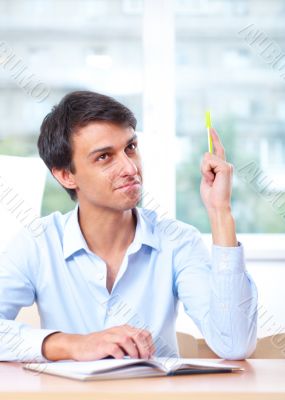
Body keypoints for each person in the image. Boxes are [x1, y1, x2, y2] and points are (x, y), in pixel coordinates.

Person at [0, 91, 257, 362]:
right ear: (66, 175)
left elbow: (235, 344)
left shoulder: (177, 240)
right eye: (104, 157)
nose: (130, 168)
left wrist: (220, 213)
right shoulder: (38, 243)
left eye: (130, 148)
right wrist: (72, 345)